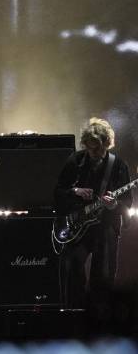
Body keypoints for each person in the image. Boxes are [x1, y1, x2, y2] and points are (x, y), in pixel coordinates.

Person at [53, 117, 132, 308]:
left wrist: (113, 205)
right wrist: (75, 191)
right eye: (88, 147)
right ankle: (73, 315)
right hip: (77, 226)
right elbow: (57, 193)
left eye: (96, 148)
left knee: (103, 276)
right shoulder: (76, 160)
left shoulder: (119, 166)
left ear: (106, 144)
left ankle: (100, 322)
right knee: (71, 265)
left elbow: (127, 202)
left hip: (105, 228)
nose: (91, 153)